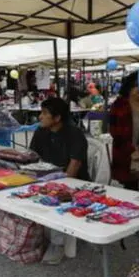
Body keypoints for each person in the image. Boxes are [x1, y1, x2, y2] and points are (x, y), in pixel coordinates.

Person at [29, 97, 89, 265]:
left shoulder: (74, 134)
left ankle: (59, 243)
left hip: (73, 181)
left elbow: (75, 164)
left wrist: (60, 188)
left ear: (57, 118)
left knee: (56, 200)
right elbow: (32, 157)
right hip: (47, 177)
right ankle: (34, 237)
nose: (40, 117)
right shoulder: (41, 131)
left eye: (44, 113)